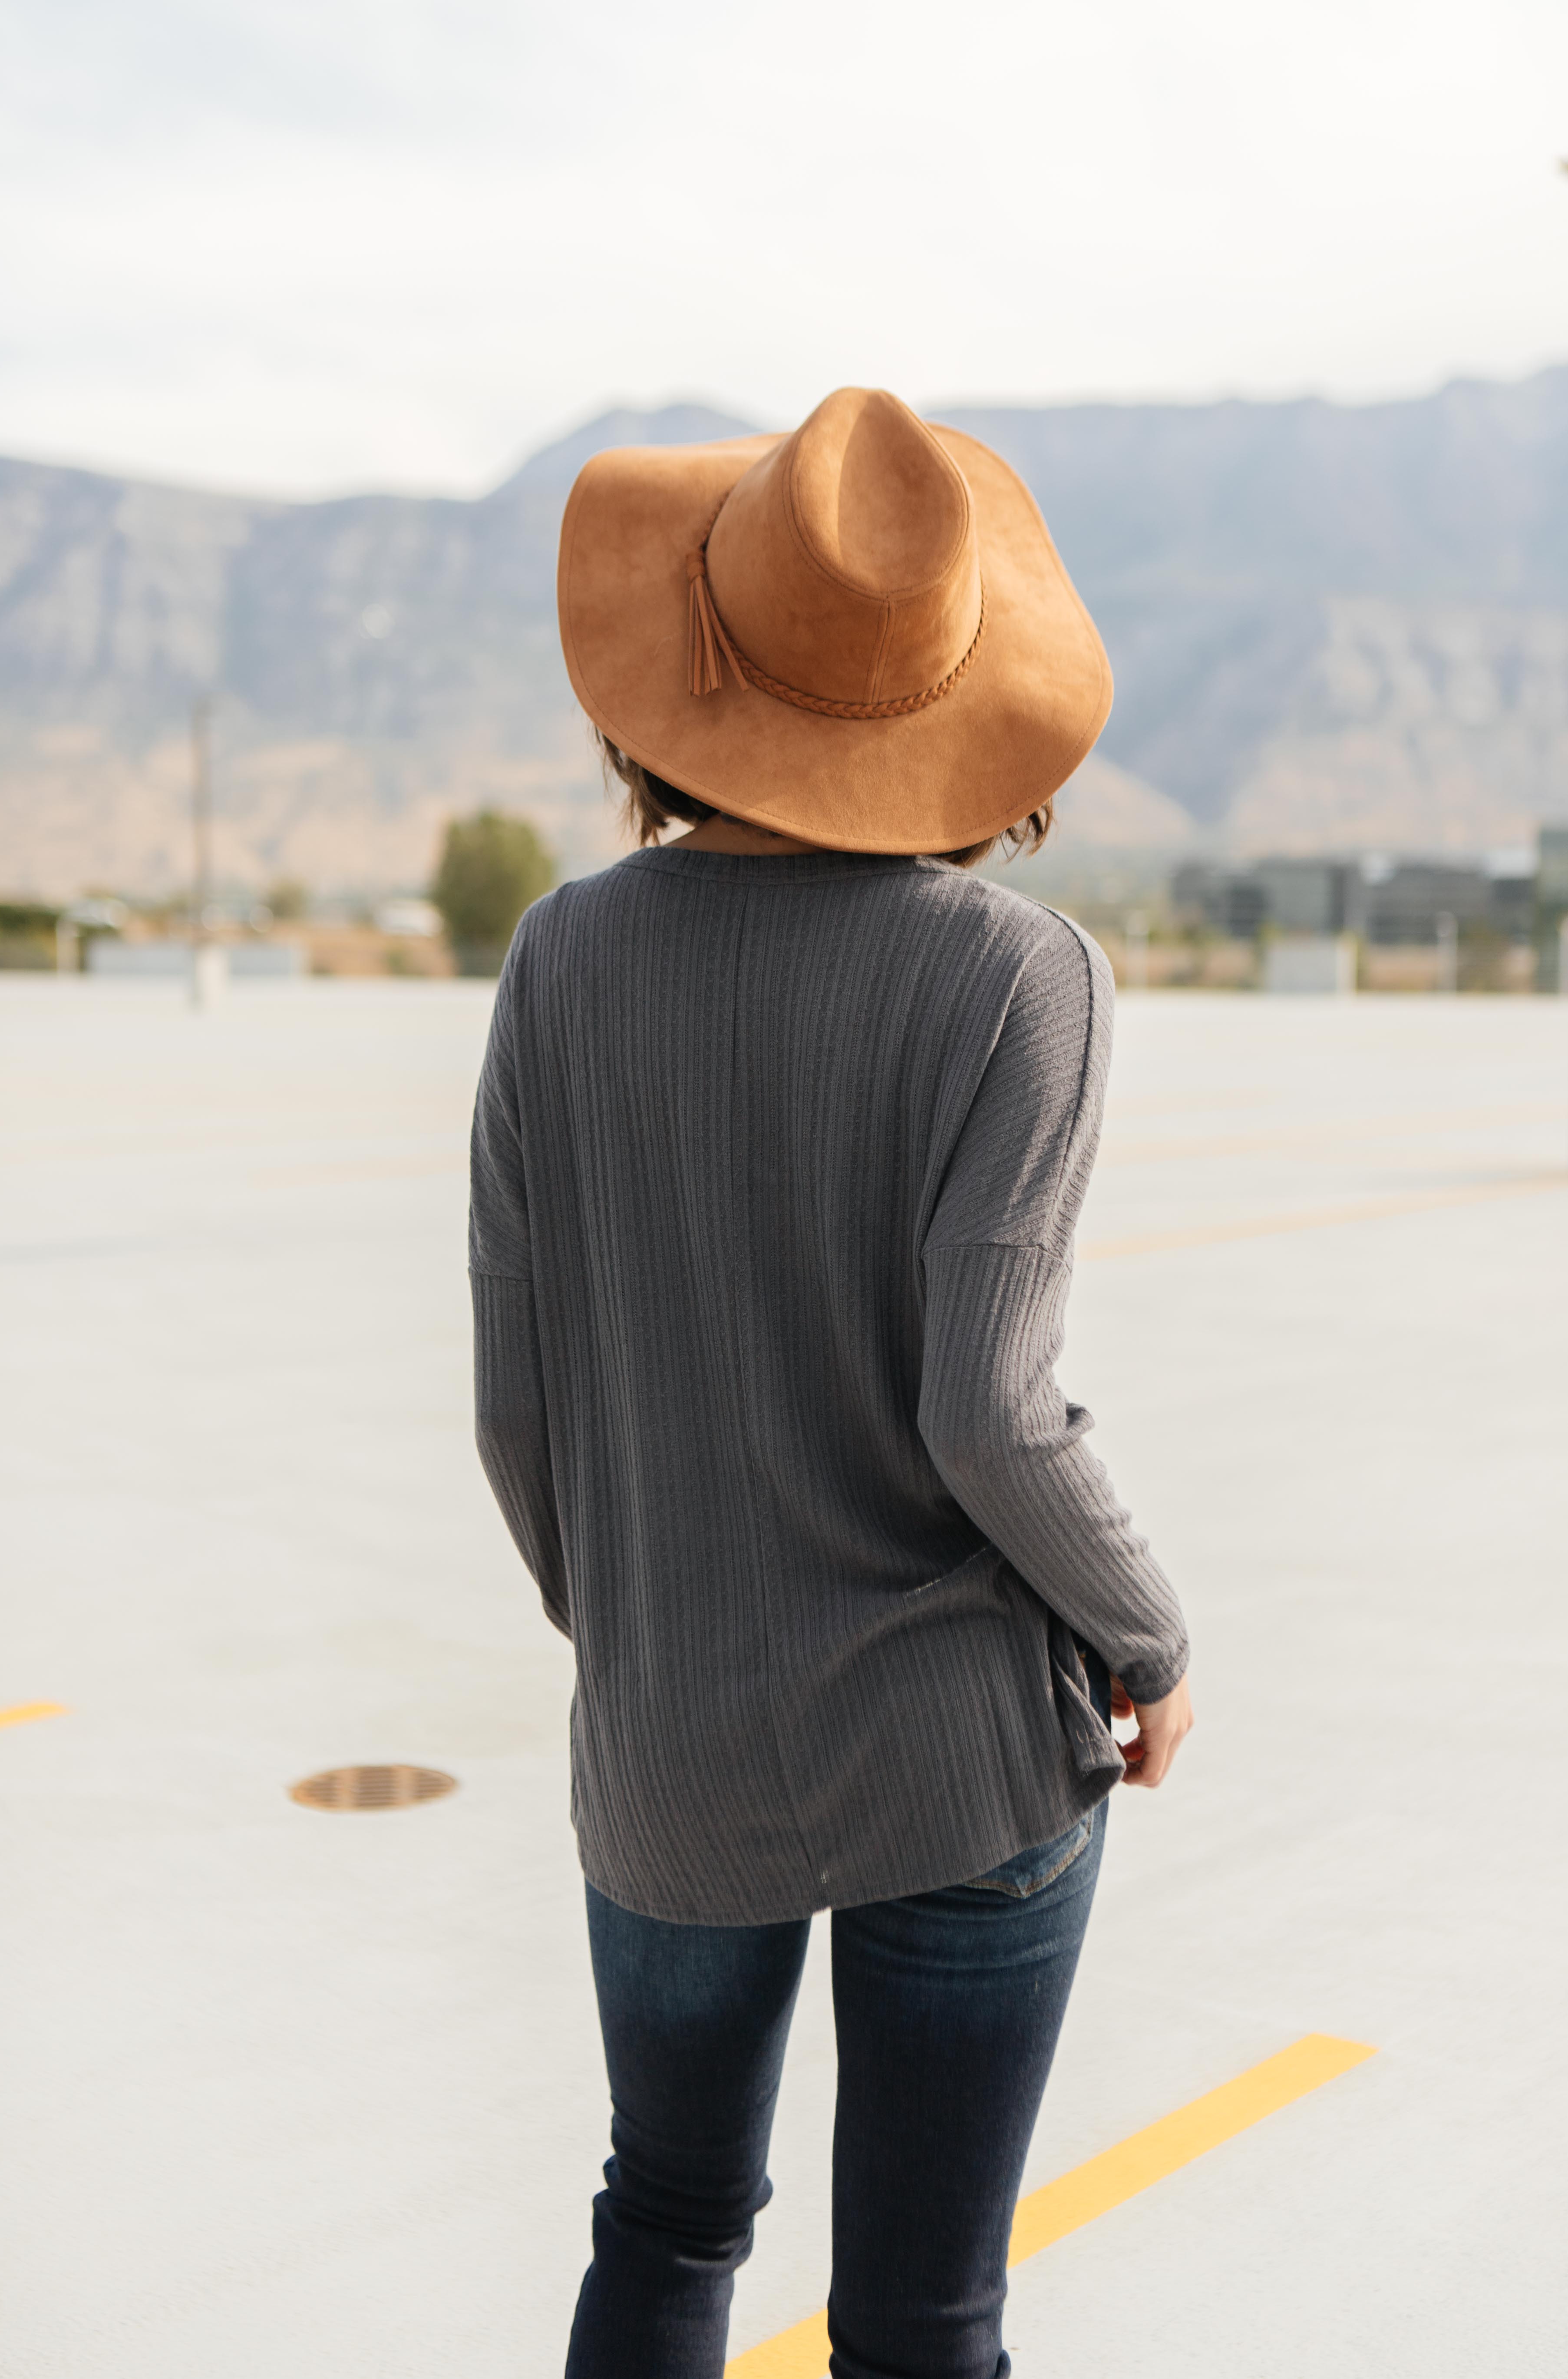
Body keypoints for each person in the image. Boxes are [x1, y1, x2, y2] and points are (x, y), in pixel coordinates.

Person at [469, 387, 1192, 2379]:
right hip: (961, 1751)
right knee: (921, 2317)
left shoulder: (554, 964)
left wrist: (643, 1624)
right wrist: (1147, 1633)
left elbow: (516, 1411)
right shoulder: (1020, 981)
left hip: (668, 1742)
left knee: (666, 2222)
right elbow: (992, 1406)